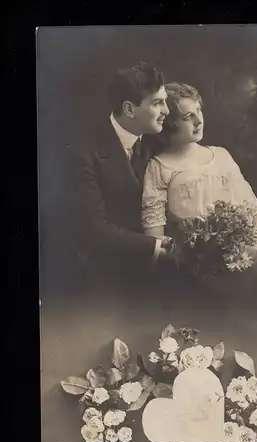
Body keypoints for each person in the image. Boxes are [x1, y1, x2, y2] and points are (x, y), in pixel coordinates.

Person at [141, 82, 257, 314]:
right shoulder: (159, 167)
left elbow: (256, 209)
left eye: (199, 111)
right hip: (198, 267)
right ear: (171, 123)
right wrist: (194, 255)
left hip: (247, 256)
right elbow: (154, 235)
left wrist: (253, 243)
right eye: (188, 116)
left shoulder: (221, 156)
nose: (198, 121)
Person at [73, 62, 175, 290]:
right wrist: (157, 246)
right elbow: (93, 229)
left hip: (158, 271)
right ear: (129, 109)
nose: (166, 111)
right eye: (158, 103)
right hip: (103, 276)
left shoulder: (157, 140)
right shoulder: (83, 152)